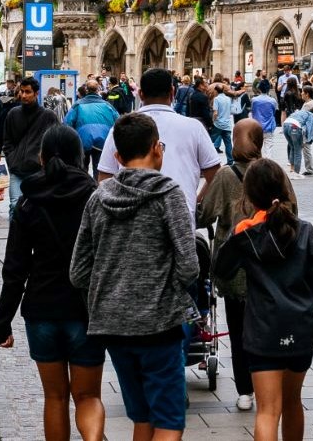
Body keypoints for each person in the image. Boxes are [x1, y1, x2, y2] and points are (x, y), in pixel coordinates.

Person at [71, 112, 199, 441]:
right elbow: (189, 264)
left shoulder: (98, 197)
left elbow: (78, 271)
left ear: (116, 156)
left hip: (112, 326)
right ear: (158, 149)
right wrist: (164, 291)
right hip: (159, 323)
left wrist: (111, 292)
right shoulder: (168, 194)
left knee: (141, 416)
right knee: (169, 420)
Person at [214, 158, 313, 441]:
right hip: (301, 331)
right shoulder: (305, 231)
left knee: (267, 411)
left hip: (262, 332)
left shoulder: (247, 235)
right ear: (284, 189)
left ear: (249, 195)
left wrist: (237, 236)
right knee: (292, 403)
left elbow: (221, 270)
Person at [0, 125, 103, 441]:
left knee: (55, 398)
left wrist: (3, 321)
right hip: (84, 310)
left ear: (41, 158)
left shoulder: (29, 202)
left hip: (41, 310)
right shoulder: (94, 198)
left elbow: (15, 268)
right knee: (88, 397)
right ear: (80, 157)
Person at [196, 124, 267, 412]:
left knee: (238, 331)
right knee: (263, 330)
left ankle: (245, 390)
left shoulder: (226, 175)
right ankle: (266, 385)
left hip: (235, 266)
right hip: (267, 266)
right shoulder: (272, 171)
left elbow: (205, 216)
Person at [95, 68, 222, 227]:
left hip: (130, 224)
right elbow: (216, 176)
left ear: (140, 94)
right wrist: (195, 202)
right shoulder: (194, 128)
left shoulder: (120, 128)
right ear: (172, 92)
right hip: (181, 220)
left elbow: (104, 178)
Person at [1, 76, 61, 209]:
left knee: (37, 207)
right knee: (14, 205)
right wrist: (12, 159)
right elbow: (7, 140)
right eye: (21, 91)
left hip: (38, 170)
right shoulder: (13, 114)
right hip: (17, 169)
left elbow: (56, 140)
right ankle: (14, 230)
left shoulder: (48, 116)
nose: (23, 95)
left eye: (27, 92)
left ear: (36, 93)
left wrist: (46, 163)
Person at [66, 79, 119, 177]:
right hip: (103, 140)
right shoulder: (107, 105)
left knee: (82, 168)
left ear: (86, 89)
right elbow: (119, 122)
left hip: (82, 140)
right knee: (99, 169)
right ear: (98, 89)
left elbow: (67, 123)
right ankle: (96, 188)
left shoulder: (77, 105)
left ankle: (83, 187)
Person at [280, 100, 313, 179]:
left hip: (286, 125)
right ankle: (296, 173)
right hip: (294, 126)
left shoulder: (301, 112)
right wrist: (309, 140)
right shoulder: (312, 116)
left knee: (292, 148)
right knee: (298, 150)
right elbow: (309, 129)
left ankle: (292, 169)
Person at [249, 87, 279, 161]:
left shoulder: (254, 100)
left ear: (259, 89)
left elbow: (252, 110)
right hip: (269, 127)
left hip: (257, 127)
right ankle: (268, 165)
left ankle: (257, 164)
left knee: (257, 147)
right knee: (268, 148)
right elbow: (274, 111)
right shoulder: (272, 100)